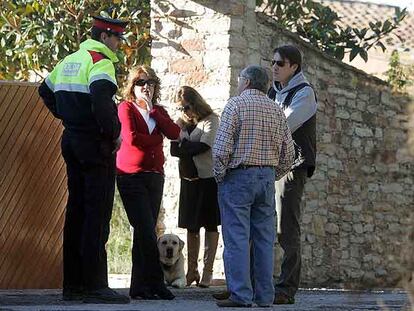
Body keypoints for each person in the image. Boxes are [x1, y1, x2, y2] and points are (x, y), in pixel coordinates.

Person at [38, 16, 130, 304]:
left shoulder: (69, 60)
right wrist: (113, 133)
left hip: (72, 139)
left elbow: (44, 90)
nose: (118, 44)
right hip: (94, 144)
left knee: (76, 211)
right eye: (116, 38)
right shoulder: (100, 61)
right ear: (105, 37)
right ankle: (95, 285)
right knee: (97, 213)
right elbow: (103, 104)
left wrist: (67, 117)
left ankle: (73, 286)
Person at [213, 65, 295, 308]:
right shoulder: (276, 110)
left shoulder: (235, 105)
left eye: (240, 80)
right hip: (266, 178)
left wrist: (220, 176)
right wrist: (273, 173)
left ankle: (240, 295)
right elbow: (289, 153)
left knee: (237, 238)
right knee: (264, 239)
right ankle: (264, 297)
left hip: (238, 176)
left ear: (247, 82)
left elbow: (220, 150)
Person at [116, 65, 180, 300]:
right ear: (132, 87)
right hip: (131, 175)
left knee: (145, 231)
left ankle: (138, 287)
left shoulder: (158, 111)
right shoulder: (126, 108)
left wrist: (154, 113)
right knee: (145, 229)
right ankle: (156, 283)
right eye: (141, 83)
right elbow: (132, 139)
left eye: (150, 83)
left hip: (155, 176)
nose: (146, 87)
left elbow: (174, 132)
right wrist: (156, 139)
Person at [267, 45, 317, 305]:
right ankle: (256, 284)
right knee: (264, 227)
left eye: (280, 63)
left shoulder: (304, 93)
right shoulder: (273, 91)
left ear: (294, 67)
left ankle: (286, 288)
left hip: (292, 167)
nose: (274, 66)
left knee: (286, 228)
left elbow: (284, 126)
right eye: (273, 62)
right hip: (269, 165)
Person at [170, 86, 221, 288]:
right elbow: (174, 150)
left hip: (207, 179)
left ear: (195, 103)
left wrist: (184, 145)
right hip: (188, 178)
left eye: (186, 107)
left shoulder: (211, 120)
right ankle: (192, 271)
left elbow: (204, 147)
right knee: (191, 225)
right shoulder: (180, 123)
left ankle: (208, 272)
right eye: (180, 108)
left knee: (210, 223)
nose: (184, 111)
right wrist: (184, 145)